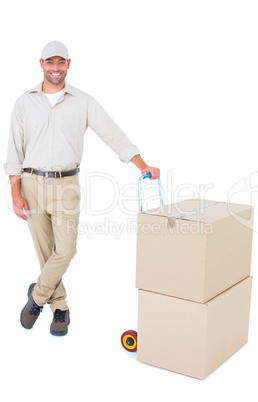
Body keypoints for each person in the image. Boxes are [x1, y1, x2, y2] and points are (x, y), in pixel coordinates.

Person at [4, 40, 160, 337]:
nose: (55, 68)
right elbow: (14, 149)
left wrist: (143, 165)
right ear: (41, 65)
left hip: (67, 185)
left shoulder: (84, 101)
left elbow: (113, 134)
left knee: (65, 249)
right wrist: (14, 191)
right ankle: (60, 306)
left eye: (60, 62)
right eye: (50, 62)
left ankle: (37, 297)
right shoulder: (24, 102)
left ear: (68, 64)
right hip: (31, 182)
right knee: (45, 250)